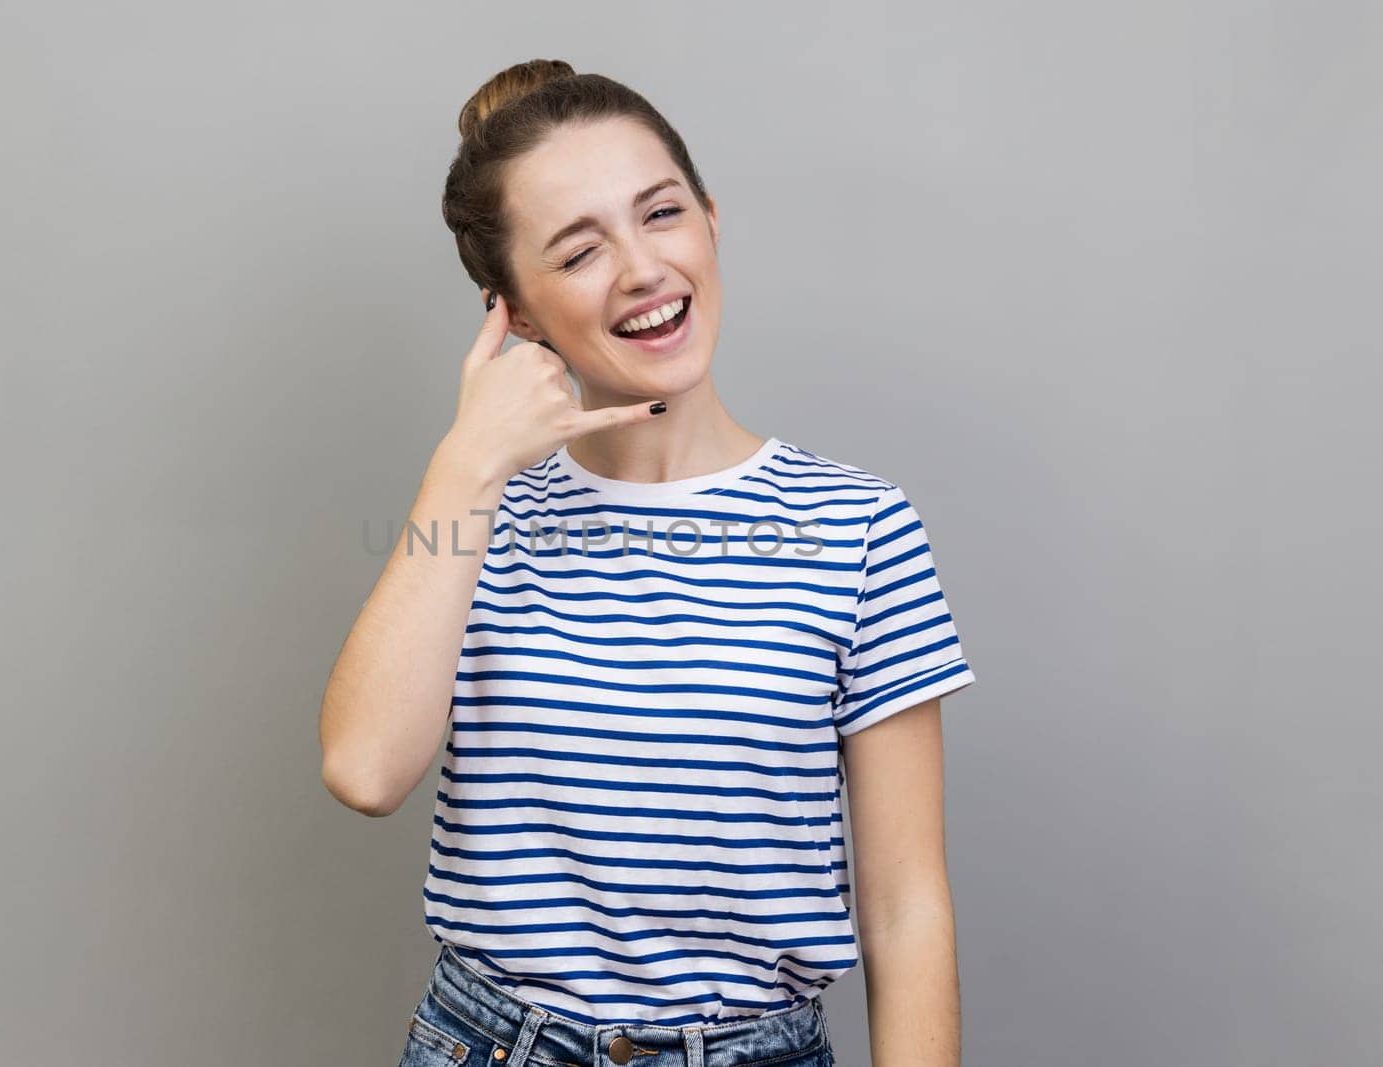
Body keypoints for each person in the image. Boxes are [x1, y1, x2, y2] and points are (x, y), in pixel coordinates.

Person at [320, 60, 976, 1067]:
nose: (640, 268)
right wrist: (465, 462)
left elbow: (906, 905)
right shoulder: (476, 512)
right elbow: (364, 769)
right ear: (518, 312)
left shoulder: (860, 528)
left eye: (660, 213)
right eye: (577, 251)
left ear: (710, 221)